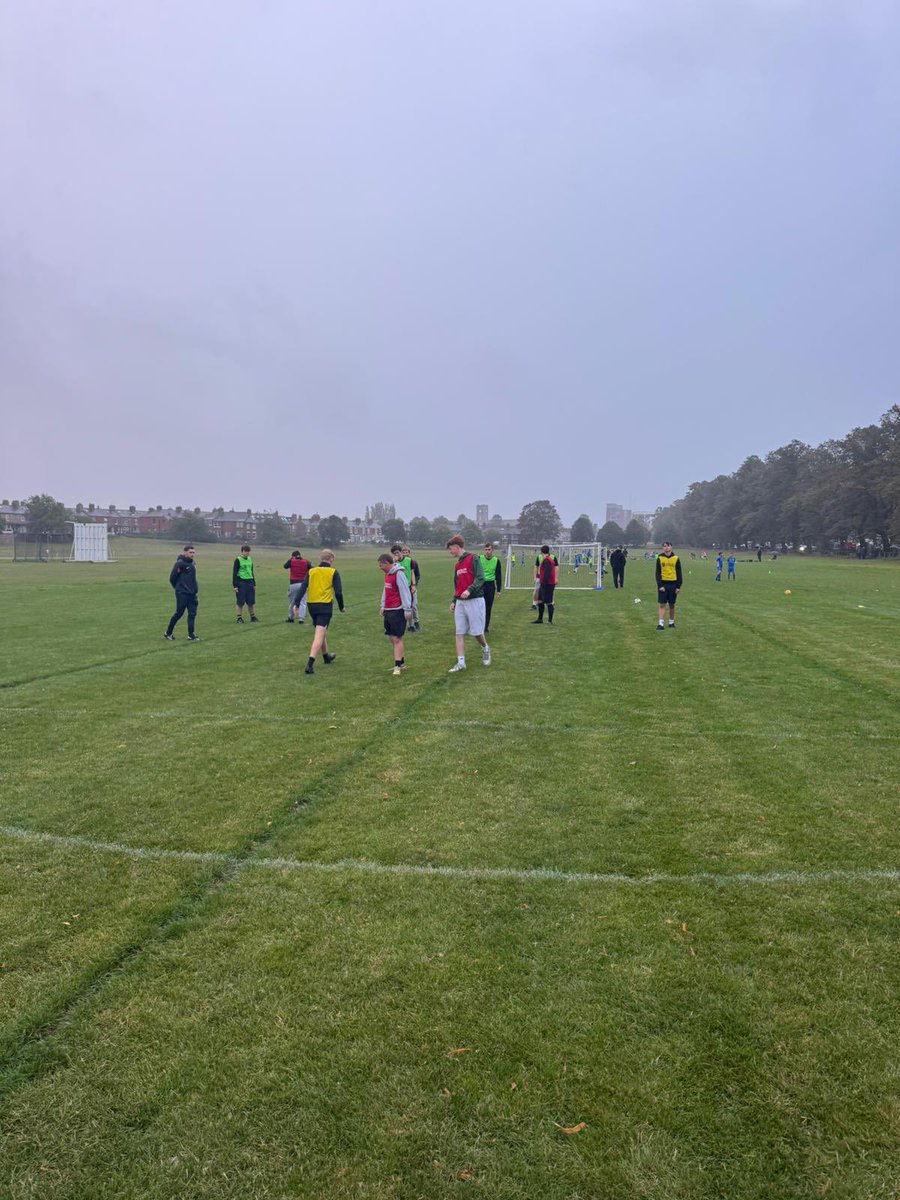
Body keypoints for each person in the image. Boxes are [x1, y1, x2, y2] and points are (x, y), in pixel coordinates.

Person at [295, 549, 344, 674]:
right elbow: (338, 592)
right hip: (325, 606)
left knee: (320, 631)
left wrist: (296, 603)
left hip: (312, 605)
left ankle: (326, 656)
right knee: (319, 634)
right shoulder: (333, 572)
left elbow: (303, 587)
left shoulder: (311, 571)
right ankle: (310, 664)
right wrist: (341, 606)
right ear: (331, 559)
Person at [446, 534, 490, 672]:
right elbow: (457, 584)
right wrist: (454, 600)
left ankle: (485, 648)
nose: (449, 551)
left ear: (457, 547)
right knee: (459, 632)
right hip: (460, 601)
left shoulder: (473, 558)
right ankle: (461, 663)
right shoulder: (457, 564)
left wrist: (469, 590)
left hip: (475, 600)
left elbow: (480, 578)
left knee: (477, 632)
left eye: (450, 549)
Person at [378, 552, 413, 676]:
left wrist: (407, 609)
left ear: (387, 563)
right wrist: (383, 605)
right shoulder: (387, 575)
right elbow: (385, 591)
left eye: (381, 565)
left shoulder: (399, 574)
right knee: (391, 637)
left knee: (397, 638)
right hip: (388, 610)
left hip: (398, 610)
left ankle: (397, 666)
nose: (379, 568)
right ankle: (401, 663)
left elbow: (405, 591)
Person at [164, 545, 200, 641]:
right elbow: (172, 578)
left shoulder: (193, 563)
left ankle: (191, 635)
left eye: (193, 552)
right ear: (185, 552)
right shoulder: (179, 564)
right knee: (179, 613)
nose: (192, 554)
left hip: (192, 593)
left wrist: (194, 588)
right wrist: (179, 588)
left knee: (192, 614)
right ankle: (168, 633)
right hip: (182, 593)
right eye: (190, 552)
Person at [655, 540, 682, 630]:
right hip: (663, 584)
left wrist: (678, 586)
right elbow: (657, 573)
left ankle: (671, 623)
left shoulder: (676, 558)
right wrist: (660, 585)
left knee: (672, 604)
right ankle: (661, 624)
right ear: (662, 548)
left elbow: (679, 573)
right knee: (662, 604)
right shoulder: (660, 558)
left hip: (673, 584)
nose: (666, 548)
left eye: (668, 546)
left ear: (671, 547)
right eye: (664, 546)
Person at [479, 542, 502, 633]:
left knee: (488, 608)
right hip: (481, 585)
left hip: (490, 586)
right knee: (480, 607)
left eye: (489, 550)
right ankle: (478, 626)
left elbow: (498, 576)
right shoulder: (479, 558)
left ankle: (485, 627)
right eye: (486, 550)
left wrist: (498, 590)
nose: (487, 551)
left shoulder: (496, 560)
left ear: (492, 550)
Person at [233, 544, 258, 623]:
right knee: (240, 601)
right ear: (242, 551)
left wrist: (254, 583)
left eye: (248, 552)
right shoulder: (238, 560)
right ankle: (239, 618)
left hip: (249, 582)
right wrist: (235, 585)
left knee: (251, 601)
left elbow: (251, 571)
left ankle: (252, 617)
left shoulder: (250, 559)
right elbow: (234, 573)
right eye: (245, 551)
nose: (247, 553)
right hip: (241, 582)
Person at [533, 544, 557, 623]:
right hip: (544, 583)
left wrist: (543, 583)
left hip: (547, 584)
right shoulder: (548, 559)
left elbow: (546, 573)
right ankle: (540, 619)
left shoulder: (547, 560)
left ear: (541, 552)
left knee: (549, 602)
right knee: (540, 600)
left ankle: (550, 621)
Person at [284, 549, 310, 622]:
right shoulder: (306, 562)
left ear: (293, 556)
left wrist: (291, 559)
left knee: (292, 602)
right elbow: (311, 569)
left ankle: (290, 618)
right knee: (303, 602)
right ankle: (301, 619)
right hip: (303, 584)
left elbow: (285, 566)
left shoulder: (291, 561)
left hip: (293, 583)